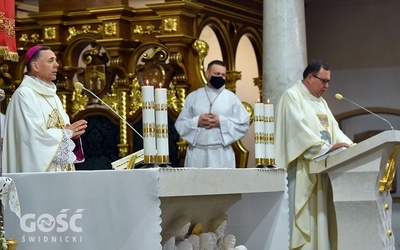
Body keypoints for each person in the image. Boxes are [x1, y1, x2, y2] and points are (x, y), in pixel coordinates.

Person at [275, 60, 353, 250]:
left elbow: (335, 131)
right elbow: (298, 133)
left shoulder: (321, 102)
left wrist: (352, 147)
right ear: (310, 77)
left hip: (322, 171)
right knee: (307, 222)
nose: (326, 86)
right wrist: (327, 149)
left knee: (321, 223)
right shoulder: (291, 97)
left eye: (328, 82)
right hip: (302, 173)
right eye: (324, 81)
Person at [2, 45, 87, 173]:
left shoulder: (53, 96)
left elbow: (63, 129)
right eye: (50, 60)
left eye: (56, 60)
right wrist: (66, 133)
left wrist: (72, 134)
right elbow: (31, 138)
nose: (56, 65)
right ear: (35, 66)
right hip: (39, 173)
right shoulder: (24, 95)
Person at [175, 60, 250, 168]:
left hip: (222, 154)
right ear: (207, 73)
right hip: (197, 154)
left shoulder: (231, 98)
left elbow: (243, 125)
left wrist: (221, 122)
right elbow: (180, 124)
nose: (220, 77)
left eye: (223, 75)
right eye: (217, 74)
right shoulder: (193, 97)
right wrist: (197, 121)